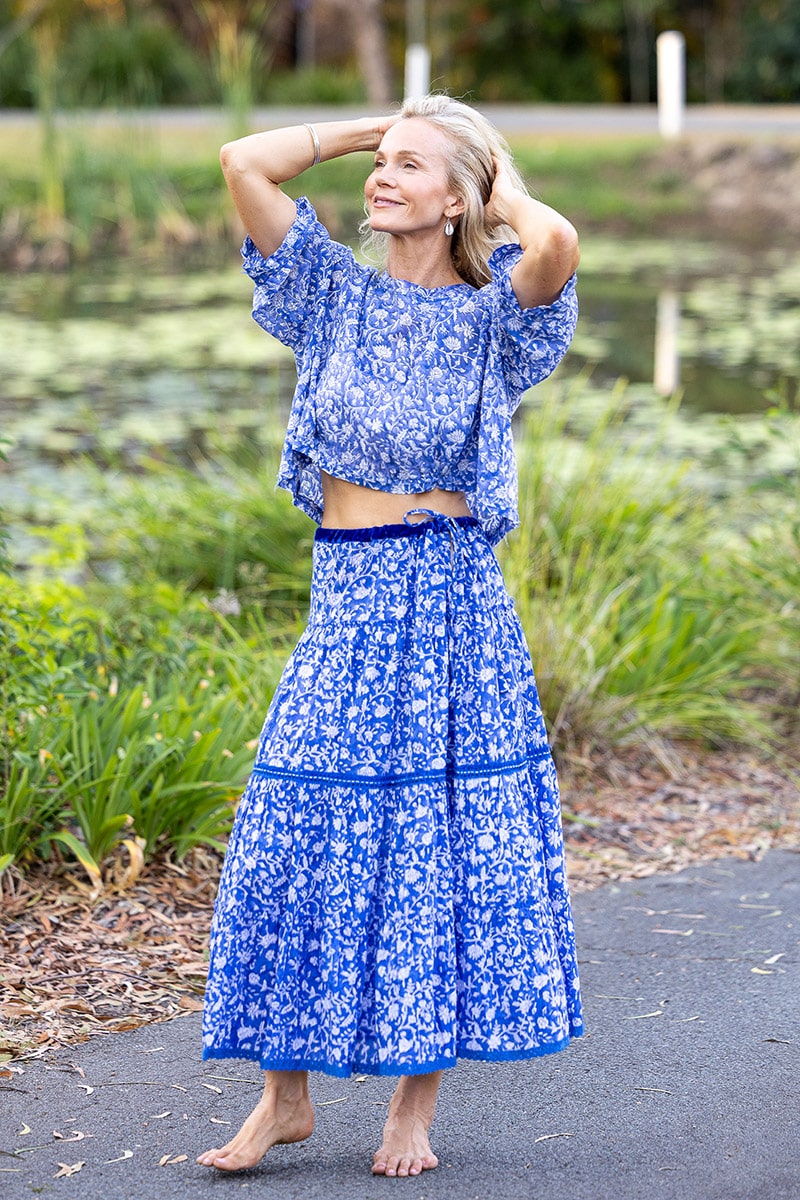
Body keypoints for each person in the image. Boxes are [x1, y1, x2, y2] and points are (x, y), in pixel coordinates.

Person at [197, 93, 583, 1180]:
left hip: (450, 600)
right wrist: (374, 129)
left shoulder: (497, 313)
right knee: (287, 835)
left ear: (459, 196)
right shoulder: (330, 294)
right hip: (349, 597)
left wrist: (476, 174)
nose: (385, 179)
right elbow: (242, 161)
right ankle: (283, 1099)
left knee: (436, 849)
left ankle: (412, 1109)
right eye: (385, 164)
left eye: (412, 170)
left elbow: (551, 240)